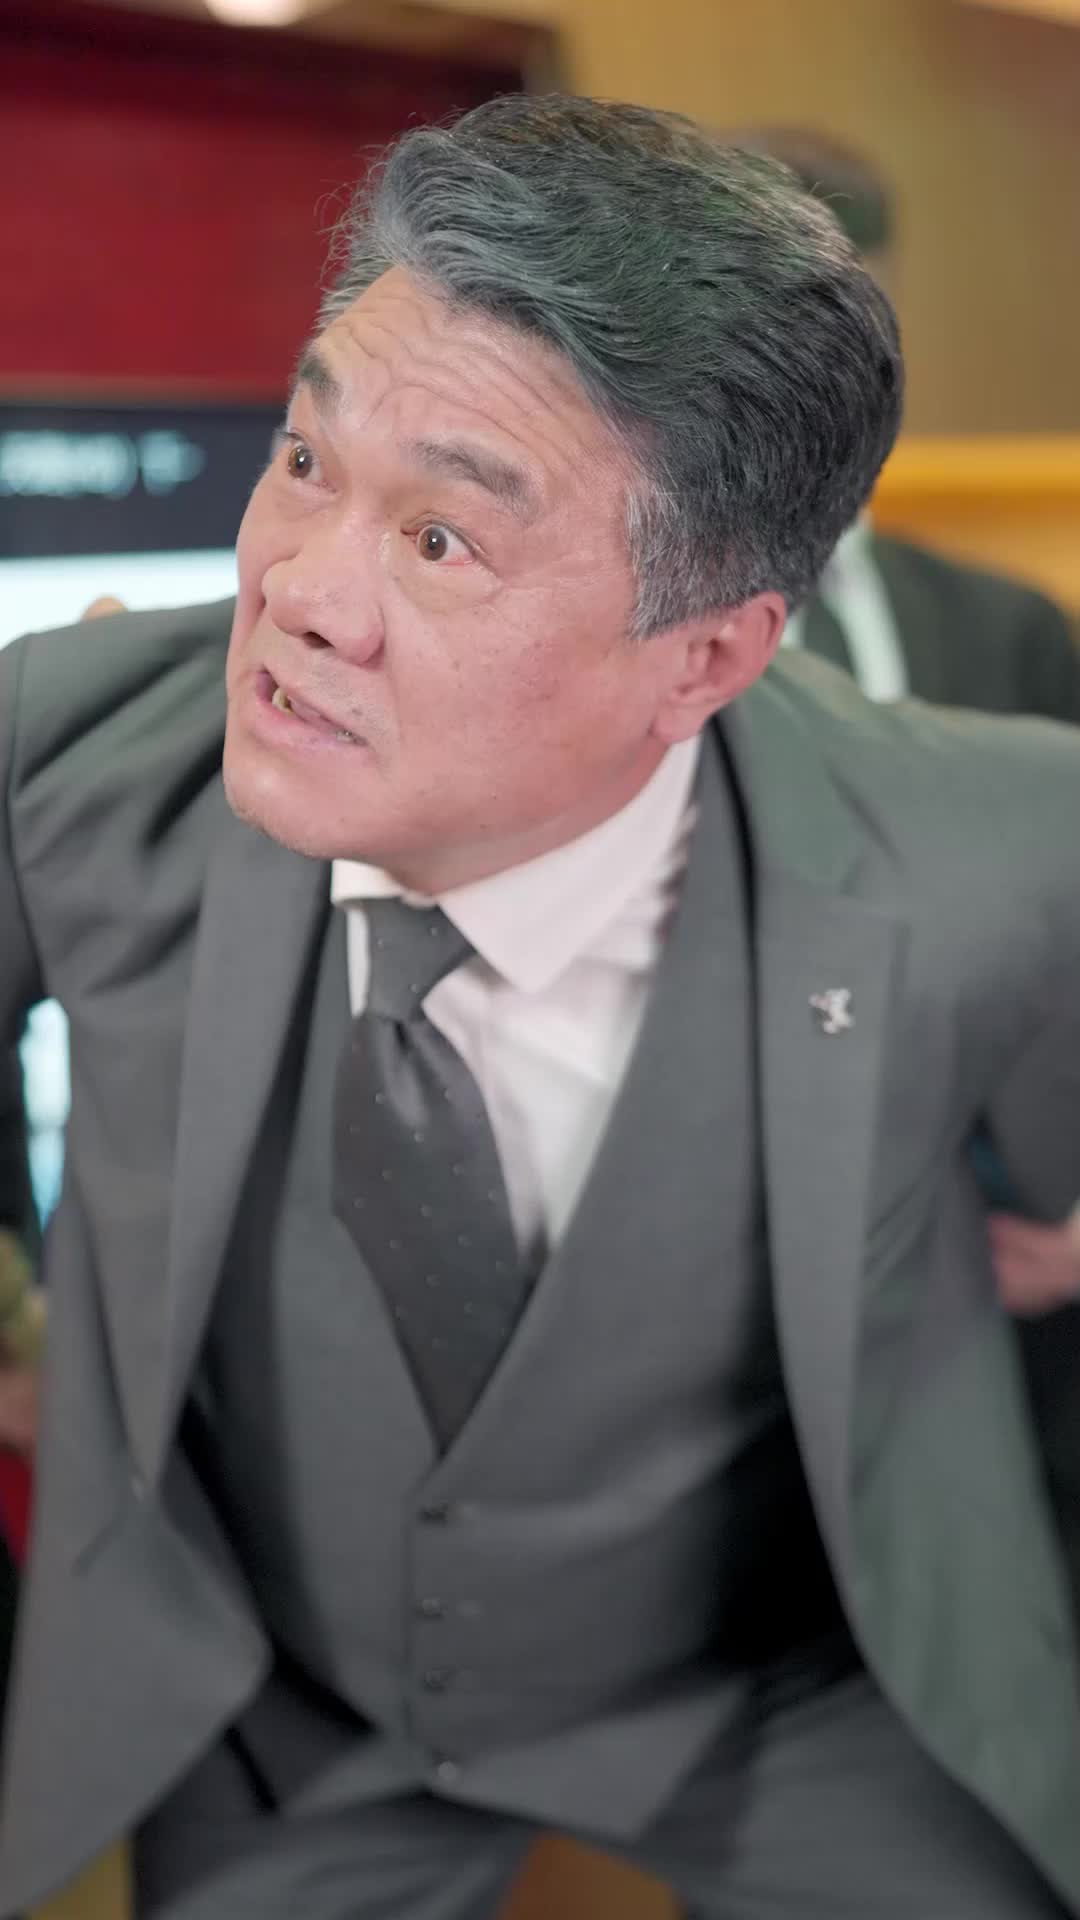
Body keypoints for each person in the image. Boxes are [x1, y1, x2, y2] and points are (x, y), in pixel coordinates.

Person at [1, 94, 1080, 1920]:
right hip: (290, 1715)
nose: (298, 595)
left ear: (709, 655)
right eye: (307, 457)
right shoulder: (74, 760)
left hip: (784, 1698)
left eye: (442, 542)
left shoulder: (996, 844)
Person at [732, 127, 1080, 719]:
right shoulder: (637, 633)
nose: (821, 370)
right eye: (775, 335)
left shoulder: (1013, 634)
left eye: (856, 325)